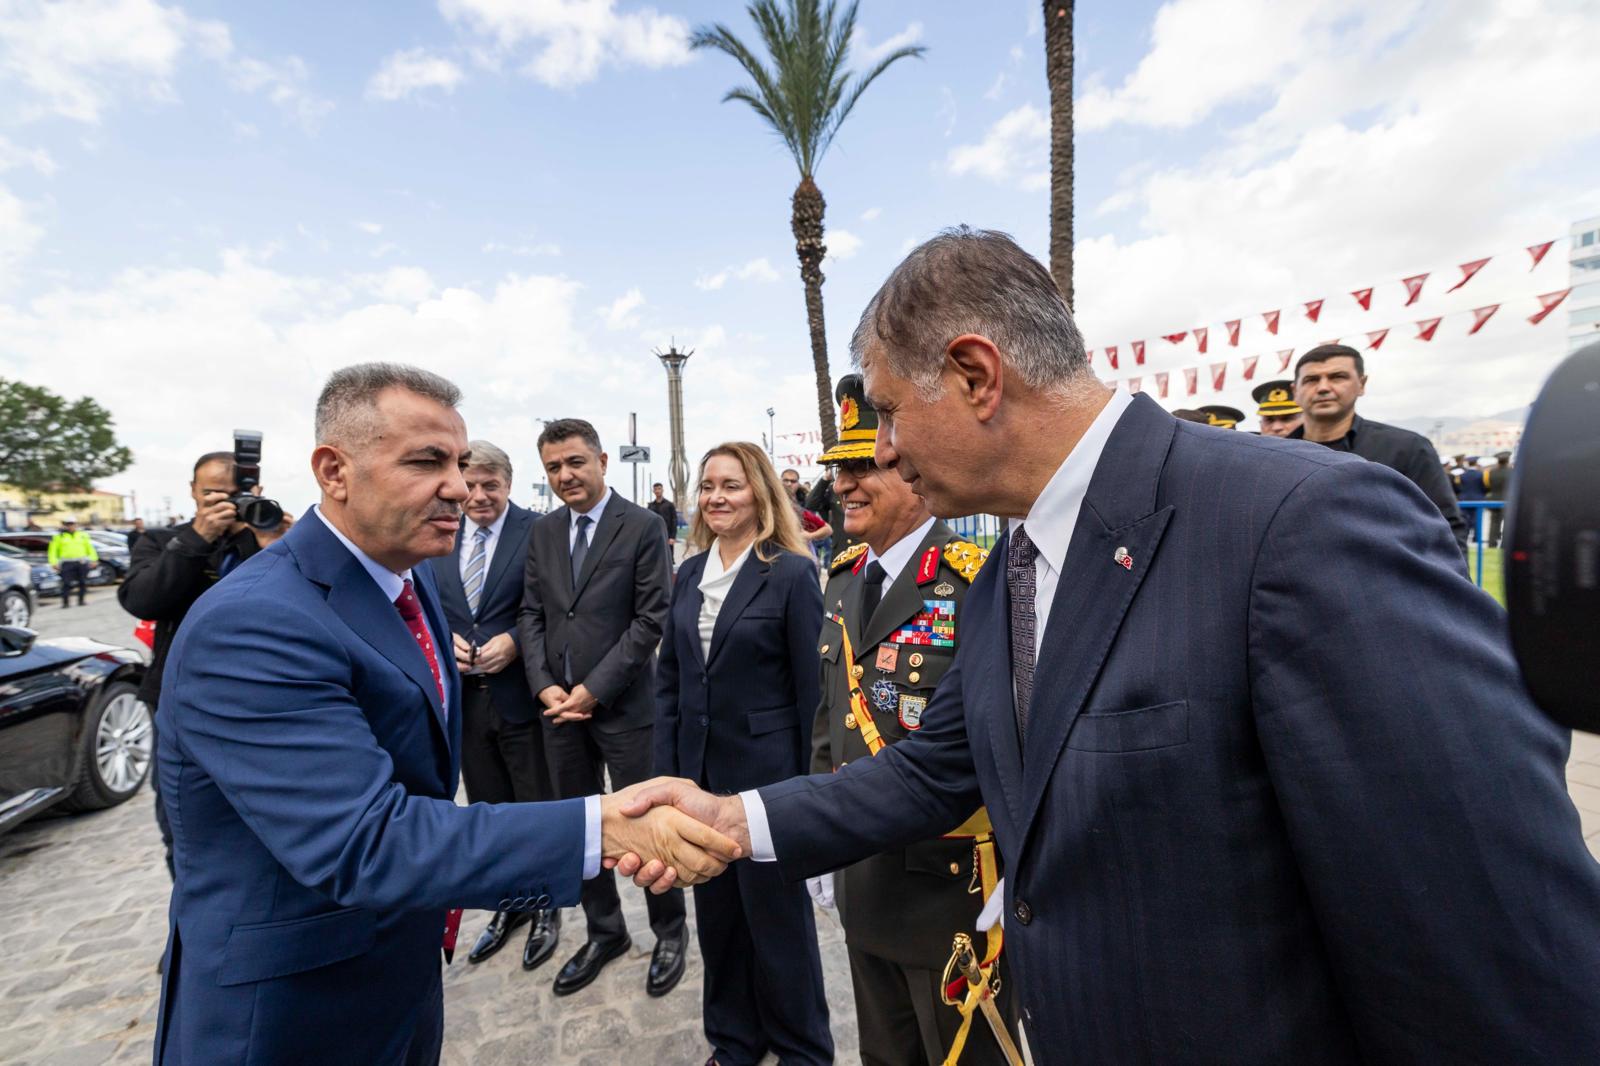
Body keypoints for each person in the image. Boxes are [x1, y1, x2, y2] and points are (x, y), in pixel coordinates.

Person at [618, 228, 1600, 1064]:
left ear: (975, 376)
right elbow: (933, 770)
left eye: (885, 410)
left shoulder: (1298, 523)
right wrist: (736, 817)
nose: (879, 450)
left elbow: (1493, 945)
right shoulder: (1008, 569)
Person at [153, 364, 736, 1066]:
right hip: (292, 1015)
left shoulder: (410, 579)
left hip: (401, 976)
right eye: (427, 462)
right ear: (334, 471)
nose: (459, 487)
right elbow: (367, 841)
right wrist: (605, 824)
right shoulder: (252, 623)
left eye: (459, 463)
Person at [808, 374, 1010, 1066]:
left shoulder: (974, 579)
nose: (843, 485)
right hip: (863, 880)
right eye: (839, 470)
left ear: (912, 468)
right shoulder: (842, 578)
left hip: (949, 894)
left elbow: (1012, 738)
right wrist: (818, 834)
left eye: (863, 468)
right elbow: (830, 719)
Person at [655, 441, 832, 1066]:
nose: (716, 497)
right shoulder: (688, 574)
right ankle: (734, 1041)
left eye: (730, 485)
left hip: (767, 783)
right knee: (719, 921)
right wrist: (666, 777)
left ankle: (802, 1049)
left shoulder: (789, 572)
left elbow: (812, 693)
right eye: (708, 486)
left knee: (778, 926)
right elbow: (671, 682)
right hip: (698, 779)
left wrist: (809, 791)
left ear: (759, 492)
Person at [518, 418, 688, 998]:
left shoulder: (641, 525)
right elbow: (532, 614)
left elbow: (651, 618)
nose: (565, 475)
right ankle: (605, 931)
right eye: (553, 467)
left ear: (601, 462)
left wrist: (594, 689)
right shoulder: (543, 532)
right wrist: (544, 686)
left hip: (625, 708)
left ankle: (669, 931)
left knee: (647, 826)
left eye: (574, 462)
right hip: (558, 711)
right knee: (580, 827)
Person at [119, 451, 291, 878]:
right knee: (185, 824)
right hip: (179, 700)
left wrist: (275, 547)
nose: (224, 502)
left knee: (274, 818)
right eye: (212, 493)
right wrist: (197, 539)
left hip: (264, 699)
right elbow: (143, 600)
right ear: (193, 492)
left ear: (255, 492)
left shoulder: (272, 537)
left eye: (234, 494)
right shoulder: (164, 541)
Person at [426, 440, 561, 971]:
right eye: (471, 484)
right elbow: (427, 603)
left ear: (508, 483)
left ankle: (547, 904)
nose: (479, 496)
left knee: (535, 807)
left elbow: (556, 607)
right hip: (465, 702)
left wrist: (517, 642)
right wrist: (444, 641)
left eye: (491, 485)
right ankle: (511, 903)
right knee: (488, 809)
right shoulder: (439, 530)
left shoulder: (539, 531)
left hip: (522, 697)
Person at [1290, 344, 1469, 556]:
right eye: (1311, 380)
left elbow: (1445, 527)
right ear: (1295, 391)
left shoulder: (1406, 448)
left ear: (1361, 384)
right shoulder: (1277, 456)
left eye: (1337, 377)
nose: (1323, 387)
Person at [47, 516, 97, 607]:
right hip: (67, 563)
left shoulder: (82, 535)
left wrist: (94, 559)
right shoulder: (59, 537)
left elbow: (90, 548)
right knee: (66, 583)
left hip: (81, 562)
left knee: (83, 582)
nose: (70, 526)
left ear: (76, 525)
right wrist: (53, 562)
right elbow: (52, 551)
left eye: (72, 524)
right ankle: (65, 602)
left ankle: (81, 600)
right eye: (68, 524)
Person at [1485, 451, 1512, 546]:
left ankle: (1491, 543)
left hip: (1494, 499)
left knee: (1494, 523)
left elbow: (1487, 486)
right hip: (1508, 500)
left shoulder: (1491, 472)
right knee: (1507, 523)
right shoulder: (1512, 472)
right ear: (1508, 460)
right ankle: (1505, 544)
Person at [646, 481, 678, 558]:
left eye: (659, 489)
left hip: (667, 536)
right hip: (654, 536)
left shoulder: (669, 505)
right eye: (655, 489)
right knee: (655, 558)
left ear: (662, 490)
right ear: (653, 491)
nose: (657, 491)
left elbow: (674, 520)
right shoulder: (650, 506)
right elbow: (648, 522)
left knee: (668, 558)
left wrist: (672, 537)